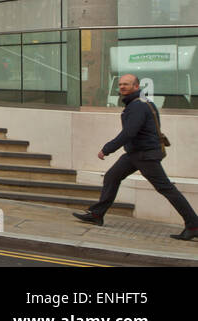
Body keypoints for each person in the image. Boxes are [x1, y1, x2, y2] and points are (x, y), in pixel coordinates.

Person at [74, 73, 198, 240]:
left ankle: (193, 224)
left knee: (166, 188)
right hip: (135, 154)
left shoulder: (137, 106)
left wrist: (107, 149)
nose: (122, 87)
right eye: (120, 84)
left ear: (136, 86)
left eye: (127, 84)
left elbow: (129, 132)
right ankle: (96, 214)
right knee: (112, 177)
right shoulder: (141, 103)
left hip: (144, 155)